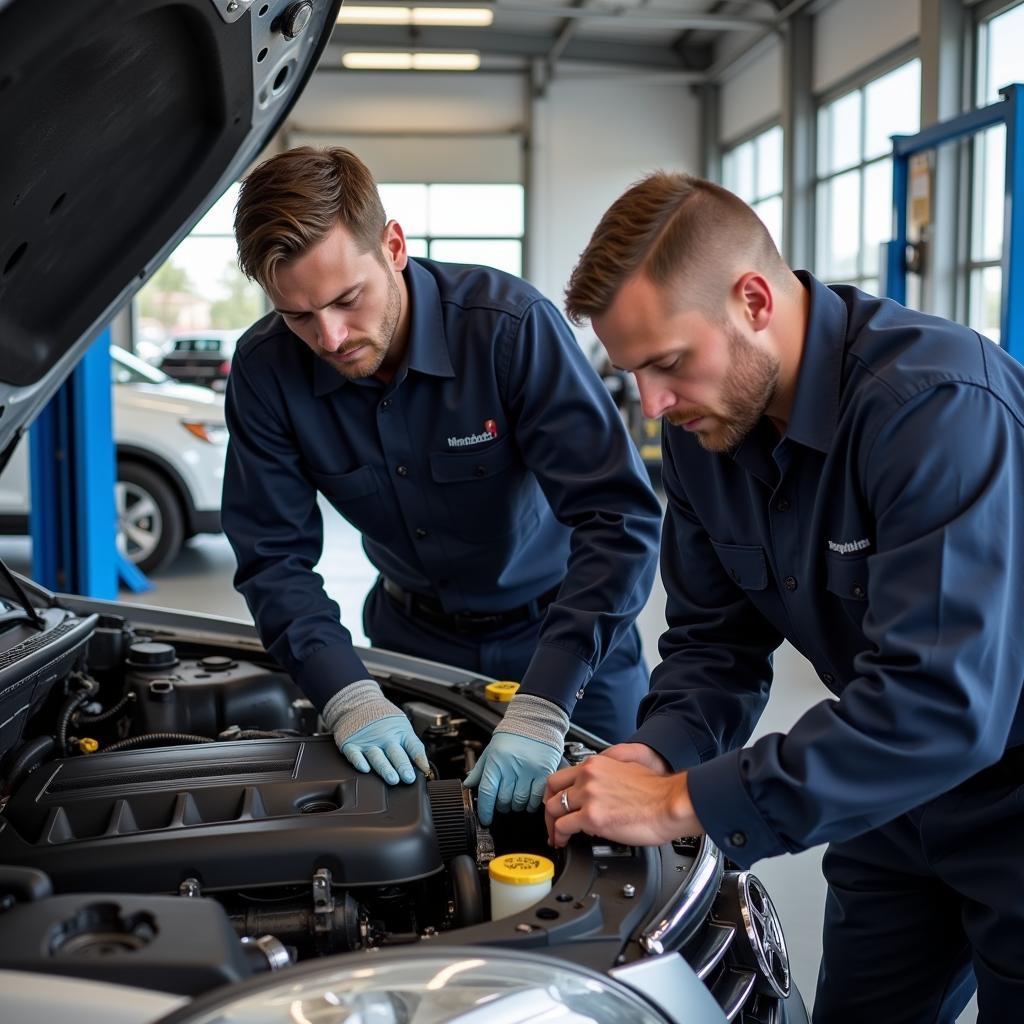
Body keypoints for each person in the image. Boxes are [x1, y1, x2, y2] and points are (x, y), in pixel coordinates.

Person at [546, 171, 1024, 1021]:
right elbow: (712, 644)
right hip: (889, 800)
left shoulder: (934, 408)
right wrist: (655, 754)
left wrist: (680, 802)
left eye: (666, 364)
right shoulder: (707, 428)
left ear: (755, 299)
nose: (652, 405)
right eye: (634, 375)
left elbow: (940, 705)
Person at [221, 147, 661, 827]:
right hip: (409, 646)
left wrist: (545, 704)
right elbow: (273, 557)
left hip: (567, 640)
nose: (331, 337)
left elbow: (619, 520)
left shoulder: (510, 330)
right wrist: (346, 694)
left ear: (393, 245)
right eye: (299, 315)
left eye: (346, 299)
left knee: (618, 857)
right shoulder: (265, 372)